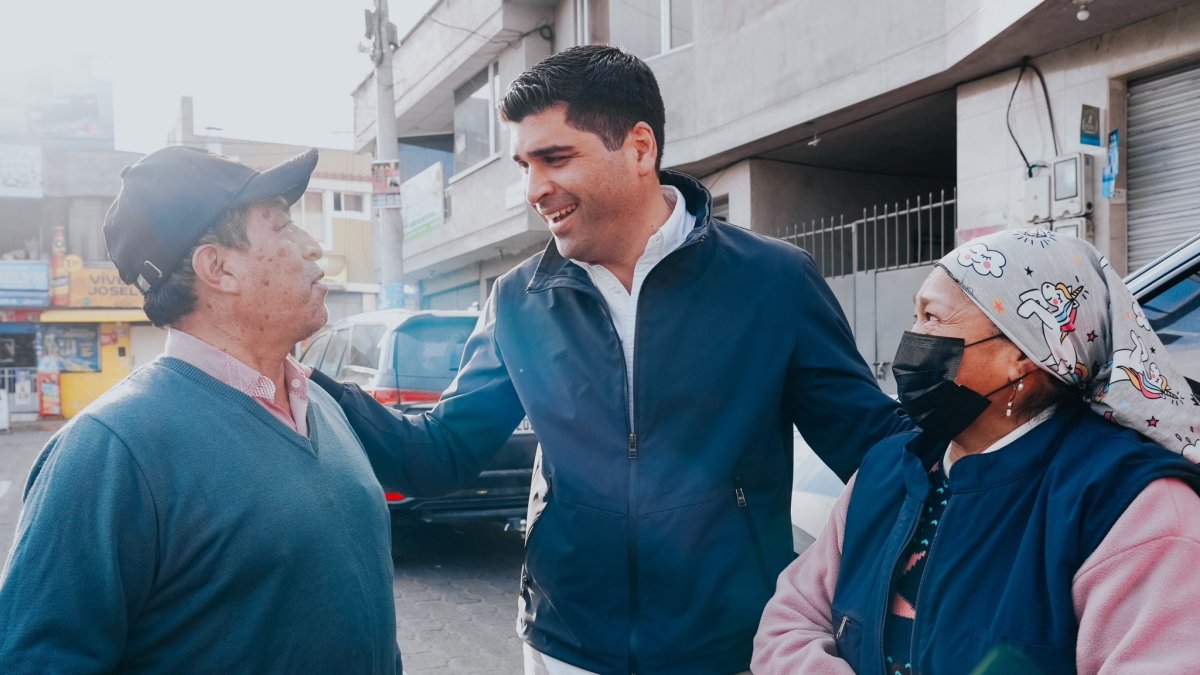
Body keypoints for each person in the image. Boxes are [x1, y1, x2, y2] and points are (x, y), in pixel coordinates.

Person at [310, 45, 911, 674]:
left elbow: (870, 449)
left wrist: (991, 425)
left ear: (641, 148)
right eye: (523, 165)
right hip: (566, 645)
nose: (535, 189)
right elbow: (443, 454)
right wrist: (302, 382)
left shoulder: (774, 281)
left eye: (555, 158)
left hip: (728, 646)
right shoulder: (519, 298)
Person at [0, 147, 400, 673]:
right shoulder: (109, 450)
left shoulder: (318, 402)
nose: (313, 246)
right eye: (282, 228)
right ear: (217, 267)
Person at [752, 229, 1200, 674]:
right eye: (916, 316)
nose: (912, 337)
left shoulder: (1130, 507)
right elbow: (788, 624)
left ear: (1022, 355)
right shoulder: (887, 469)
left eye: (933, 318)